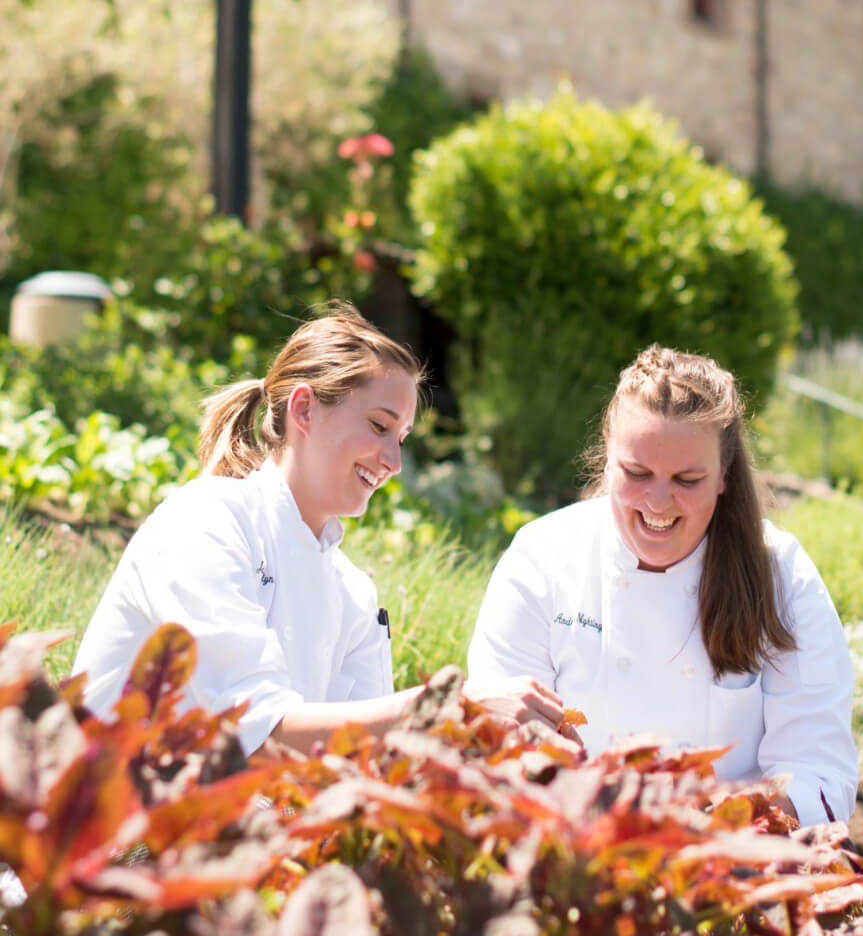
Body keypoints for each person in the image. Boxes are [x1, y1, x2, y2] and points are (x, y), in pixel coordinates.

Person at [72, 306, 570, 753]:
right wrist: (451, 703)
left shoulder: (353, 591)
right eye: (379, 426)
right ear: (304, 409)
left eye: (402, 438)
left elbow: (361, 761)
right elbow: (261, 732)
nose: (394, 461)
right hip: (104, 837)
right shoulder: (205, 522)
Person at [466, 345, 859, 824]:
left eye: (687, 479)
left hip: (732, 864)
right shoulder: (544, 558)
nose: (657, 502)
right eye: (636, 473)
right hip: (572, 848)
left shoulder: (783, 576)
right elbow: (501, 730)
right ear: (607, 460)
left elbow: (817, 766)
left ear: (724, 477)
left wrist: (721, 823)